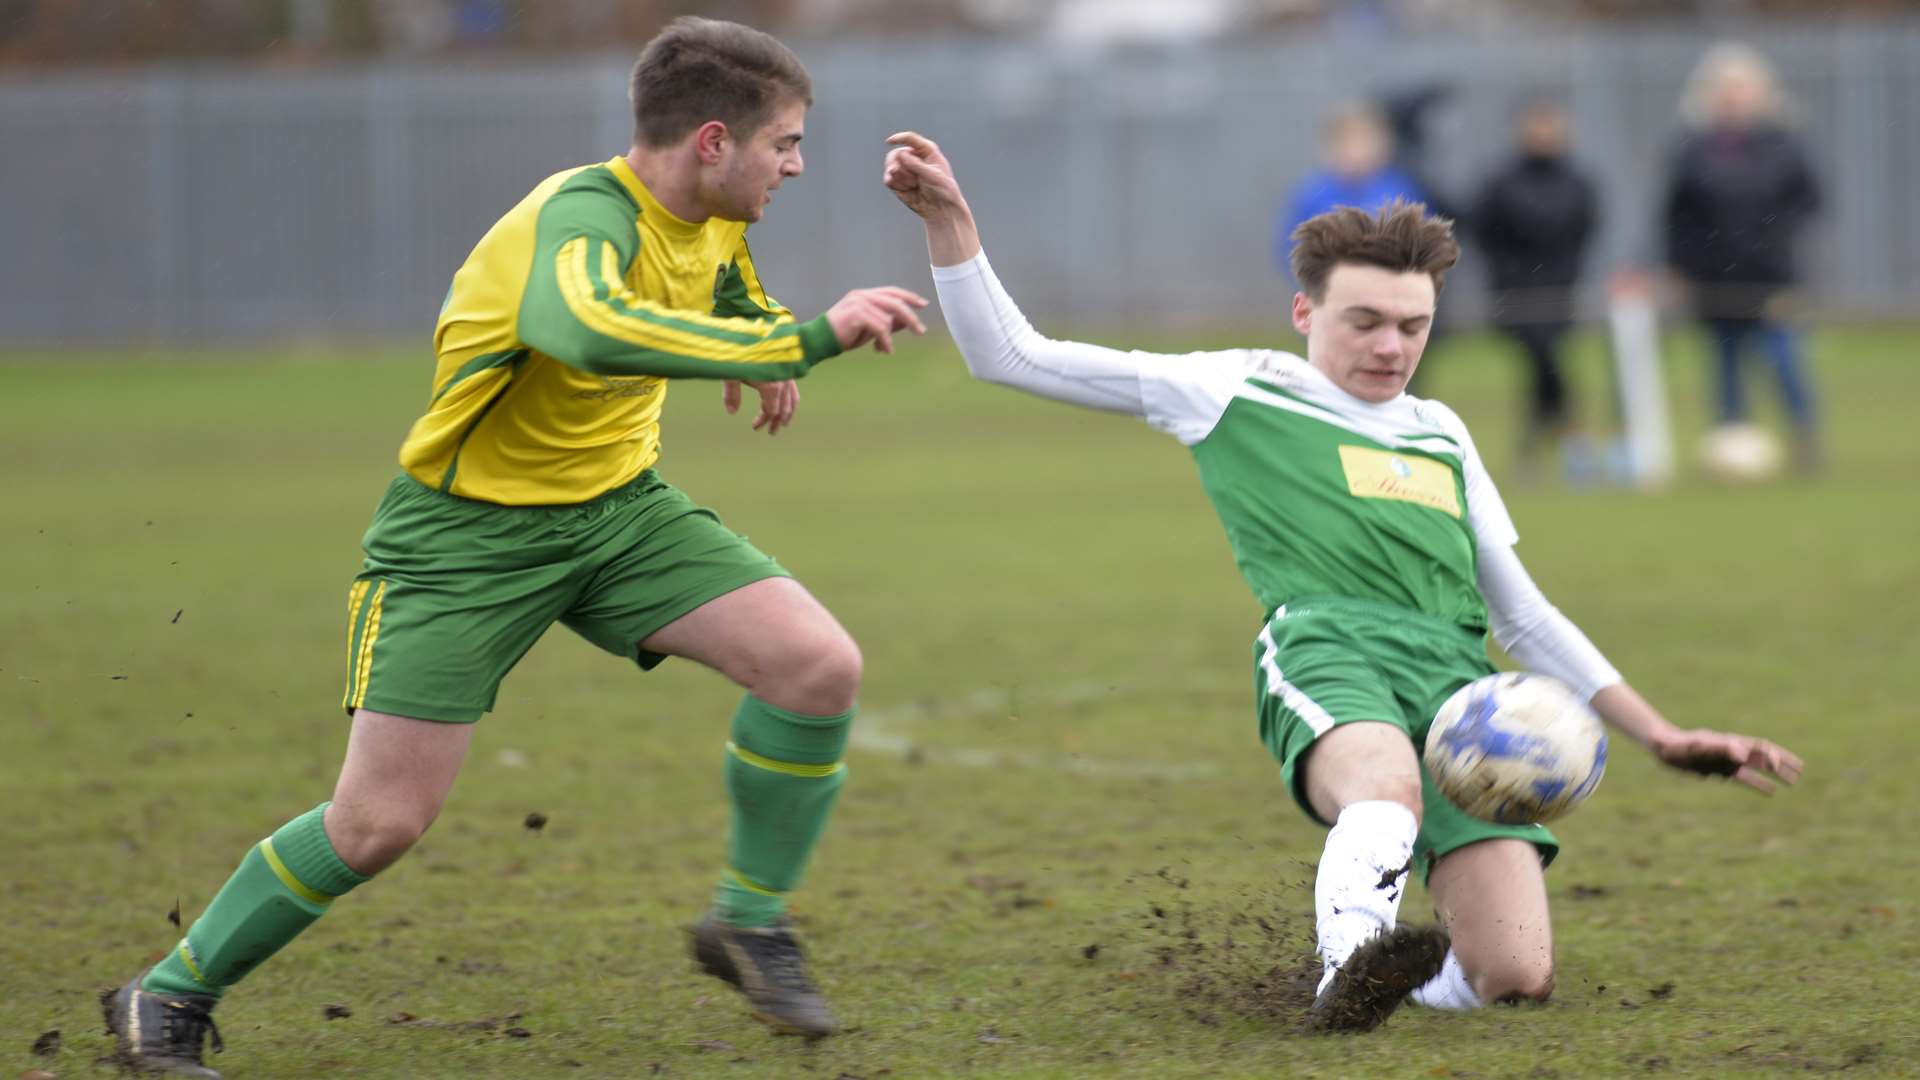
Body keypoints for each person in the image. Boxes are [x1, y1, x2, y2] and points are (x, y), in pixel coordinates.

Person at [105, 17, 928, 1074]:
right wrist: (798, 341)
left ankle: (748, 925)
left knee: (818, 667)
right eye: (788, 143)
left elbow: (716, 277)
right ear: (714, 141)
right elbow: (583, 326)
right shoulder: (577, 218)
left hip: (618, 516)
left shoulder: (708, 211)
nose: (800, 164)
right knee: (378, 823)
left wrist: (756, 327)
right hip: (464, 542)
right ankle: (165, 996)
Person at [883, 132, 1801, 1032]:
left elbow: (1523, 614)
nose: (1391, 347)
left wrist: (1662, 734)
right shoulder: (1239, 390)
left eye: (1414, 326)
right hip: (1329, 648)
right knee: (1384, 792)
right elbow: (1009, 354)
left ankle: (1401, 980)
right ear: (1304, 312)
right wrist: (951, 225)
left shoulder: (1441, 431)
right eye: (1364, 321)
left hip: (1458, 689)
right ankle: (1348, 975)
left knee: (1514, 976)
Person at [1662, 43, 1823, 472]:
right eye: (1725, 89)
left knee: (1784, 359)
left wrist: (1774, 236)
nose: (1733, 97)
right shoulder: (1693, 151)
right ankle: (1731, 448)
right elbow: (1676, 214)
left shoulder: (1783, 146)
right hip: (1716, 279)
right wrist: (1682, 265)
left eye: (1742, 88)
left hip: (1771, 277)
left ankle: (1805, 437)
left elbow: (1809, 200)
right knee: (1726, 367)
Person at [1468, 98, 1601, 483]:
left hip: (1561, 287)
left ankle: (1540, 440)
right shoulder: (1500, 181)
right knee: (1541, 358)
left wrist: (1564, 270)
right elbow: (1485, 231)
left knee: (1547, 360)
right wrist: (1509, 273)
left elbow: (1585, 229)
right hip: (1515, 290)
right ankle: (1566, 431)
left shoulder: (1578, 181)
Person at [1273, 101, 1431, 280]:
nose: (1356, 154)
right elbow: (1289, 244)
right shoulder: (1311, 195)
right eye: (1347, 145)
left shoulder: (1401, 190)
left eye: (1364, 144)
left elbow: (1424, 240)